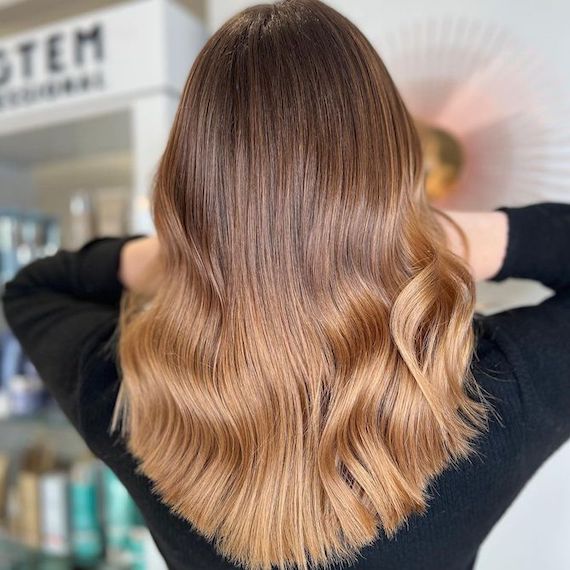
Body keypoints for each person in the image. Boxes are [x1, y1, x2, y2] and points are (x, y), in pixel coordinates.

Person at [2, 1, 569, 569]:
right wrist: (439, 237)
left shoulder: (126, 391)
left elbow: (31, 289)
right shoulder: (494, 395)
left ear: (186, 188)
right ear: (395, 174)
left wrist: (184, 255)